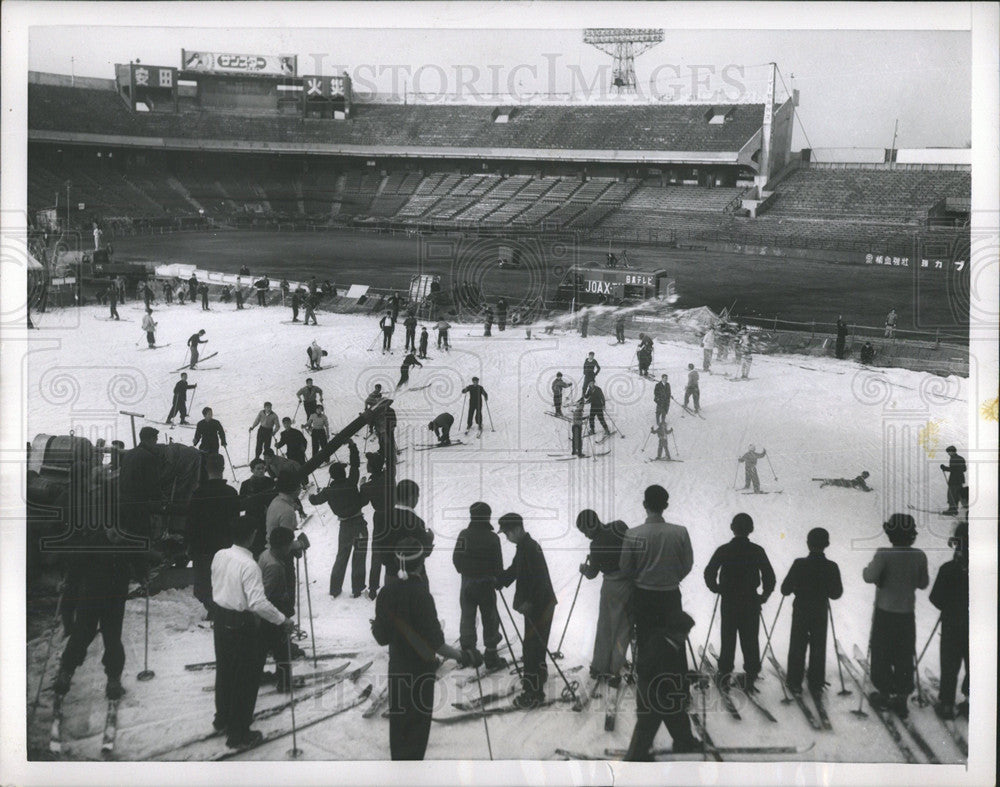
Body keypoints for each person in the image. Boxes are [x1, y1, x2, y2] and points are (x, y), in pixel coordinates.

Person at [372, 537, 480, 760]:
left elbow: (381, 638)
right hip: (420, 673)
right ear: (421, 564)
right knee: (416, 734)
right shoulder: (421, 595)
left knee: (399, 732)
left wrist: (377, 626)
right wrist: (465, 656)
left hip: (397, 670)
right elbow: (437, 644)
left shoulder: (385, 593)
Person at [210, 516, 295, 749]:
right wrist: (282, 620)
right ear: (252, 536)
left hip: (221, 617)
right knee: (246, 678)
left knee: (225, 669)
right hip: (241, 623)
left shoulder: (219, 555)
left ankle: (223, 717)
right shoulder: (249, 566)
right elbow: (258, 602)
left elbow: (216, 583)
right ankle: (238, 733)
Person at [862, 513, 929, 718]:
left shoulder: (883, 554)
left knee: (882, 653)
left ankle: (883, 694)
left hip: (884, 613)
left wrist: (869, 570)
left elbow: (868, 576)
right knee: (904, 655)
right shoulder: (919, 555)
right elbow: (923, 583)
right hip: (906, 615)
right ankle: (901, 698)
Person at [703, 513, 775, 692]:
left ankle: (725, 675)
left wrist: (716, 588)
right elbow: (769, 577)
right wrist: (764, 595)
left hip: (729, 600)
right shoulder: (757, 550)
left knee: (728, 637)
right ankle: (750, 676)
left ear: (732, 528)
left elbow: (709, 572)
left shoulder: (724, 549)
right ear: (750, 529)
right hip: (750, 600)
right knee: (750, 638)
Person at [623, 604, 701, 761]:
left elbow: (673, 673)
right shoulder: (662, 647)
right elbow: (667, 675)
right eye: (686, 633)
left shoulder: (667, 641)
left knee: (678, 716)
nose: (686, 637)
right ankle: (635, 758)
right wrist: (685, 682)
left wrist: (690, 677)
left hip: (663, 691)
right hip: (652, 696)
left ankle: (684, 743)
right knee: (646, 728)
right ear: (676, 632)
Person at [497, 513, 557, 708]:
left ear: (516, 530)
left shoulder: (531, 549)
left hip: (540, 606)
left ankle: (533, 693)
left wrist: (529, 603)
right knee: (534, 645)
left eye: (507, 533)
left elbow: (540, 580)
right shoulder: (523, 547)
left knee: (532, 648)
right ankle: (538, 674)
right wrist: (500, 581)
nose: (506, 537)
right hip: (536, 605)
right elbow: (515, 569)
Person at [619, 485, 694, 636]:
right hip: (671, 594)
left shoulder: (632, 534)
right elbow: (688, 563)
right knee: (673, 640)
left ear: (645, 504)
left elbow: (625, 567)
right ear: (665, 505)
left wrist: (640, 578)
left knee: (647, 641)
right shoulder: (680, 532)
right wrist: (673, 578)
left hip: (643, 596)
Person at [780, 527, 843, 696]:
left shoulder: (799, 563)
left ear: (808, 544)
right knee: (818, 645)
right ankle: (816, 683)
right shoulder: (831, 566)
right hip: (820, 610)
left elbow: (784, 589)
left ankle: (794, 682)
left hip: (801, 609)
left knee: (797, 644)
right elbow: (836, 594)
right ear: (827, 544)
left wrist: (794, 587)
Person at [576, 510, 631, 685]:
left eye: (585, 531)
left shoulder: (596, 545)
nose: (586, 536)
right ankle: (616, 666)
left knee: (606, 626)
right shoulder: (619, 526)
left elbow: (592, 573)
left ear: (591, 525)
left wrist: (584, 568)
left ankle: (600, 666)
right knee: (623, 627)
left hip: (611, 586)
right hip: (630, 584)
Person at [309, 440, 369, 598]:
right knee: (359, 556)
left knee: (341, 557)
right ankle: (358, 588)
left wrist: (311, 495)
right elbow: (355, 465)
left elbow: (315, 501)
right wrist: (352, 446)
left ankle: (335, 589)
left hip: (344, 527)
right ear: (343, 473)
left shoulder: (329, 491)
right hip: (359, 523)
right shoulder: (351, 482)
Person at [452, 502, 507, 669]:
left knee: (467, 616)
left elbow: (456, 558)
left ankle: (468, 653)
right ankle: (491, 655)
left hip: (467, 584)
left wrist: (465, 571)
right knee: (490, 618)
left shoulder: (463, 535)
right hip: (486, 585)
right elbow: (498, 565)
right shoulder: (493, 538)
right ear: (487, 517)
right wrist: (496, 578)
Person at [187, 453, 239, 618]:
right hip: (225, 546)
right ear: (223, 469)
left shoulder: (198, 493)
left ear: (205, 469)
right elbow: (235, 521)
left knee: (204, 584)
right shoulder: (231, 493)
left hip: (203, 549)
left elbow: (191, 524)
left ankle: (214, 609)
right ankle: (222, 610)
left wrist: (190, 546)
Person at [929, 520, 969, 720]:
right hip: (977, 627)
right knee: (974, 663)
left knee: (950, 664)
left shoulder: (948, 569)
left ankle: (946, 703)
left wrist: (947, 605)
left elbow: (935, 597)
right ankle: (971, 701)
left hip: (952, 623)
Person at [258, 527, 301, 692]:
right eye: (289, 545)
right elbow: (265, 593)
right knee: (282, 648)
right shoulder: (275, 567)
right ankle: (285, 683)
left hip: (267, 611)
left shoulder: (266, 554)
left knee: (263, 646)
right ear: (283, 546)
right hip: (273, 609)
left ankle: (258, 674)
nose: (290, 548)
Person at [377, 479, 434, 587]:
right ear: (412, 498)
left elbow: (380, 548)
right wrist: (430, 539)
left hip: (391, 575)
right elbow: (423, 552)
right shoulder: (417, 522)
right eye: (417, 497)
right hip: (414, 578)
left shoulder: (382, 518)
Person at [361, 451, 394, 599]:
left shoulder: (369, 486)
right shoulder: (389, 476)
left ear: (372, 467)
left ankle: (373, 588)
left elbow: (362, 501)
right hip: (394, 515)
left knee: (377, 553)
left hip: (380, 517)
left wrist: (361, 486)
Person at [239, 458, 277, 559]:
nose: (261, 471)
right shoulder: (246, 485)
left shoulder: (270, 482)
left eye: (263, 468)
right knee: (255, 549)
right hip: (252, 521)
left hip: (268, 519)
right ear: (252, 470)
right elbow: (241, 504)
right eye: (258, 468)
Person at [940, 445, 967, 515]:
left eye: (949, 452)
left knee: (951, 494)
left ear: (952, 451)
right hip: (960, 480)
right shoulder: (961, 458)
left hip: (954, 480)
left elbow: (953, 469)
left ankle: (952, 510)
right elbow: (964, 469)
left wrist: (944, 468)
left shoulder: (953, 459)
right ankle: (955, 509)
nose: (948, 454)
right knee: (957, 494)